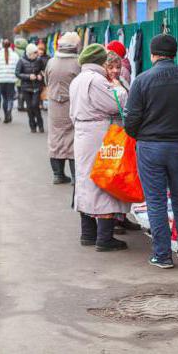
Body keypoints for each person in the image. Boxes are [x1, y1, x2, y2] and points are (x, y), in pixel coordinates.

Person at [124, 34, 178, 269]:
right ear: (174, 53)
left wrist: (140, 135)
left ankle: (162, 255)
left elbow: (132, 118)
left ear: (152, 54)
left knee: (156, 200)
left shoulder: (141, 80)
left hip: (149, 146)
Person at [69, 43, 130, 252]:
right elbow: (117, 104)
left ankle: (88, 233)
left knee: (85, 180)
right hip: (99, 134)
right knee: (104, 179)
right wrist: (118, 88)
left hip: (81, 133)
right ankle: (104, 238)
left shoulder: (78, 79)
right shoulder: (96, 81)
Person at [105, 42, 142, 234]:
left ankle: (121, 216)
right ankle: (112, 219)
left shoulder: (123, 80)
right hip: (111, 134)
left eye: (118, 67)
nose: (115, 71)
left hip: (123, 133)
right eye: (110, 67)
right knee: (112, 176)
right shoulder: (104, 84)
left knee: (124, 175)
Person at [44, 32, 80, 185]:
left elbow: (46, 80)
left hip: (54, 105)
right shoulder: (78, 63)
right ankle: (74, 176)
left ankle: (58, 174)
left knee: (55, 138)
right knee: (73, 139)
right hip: (72, 104)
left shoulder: (51, 62)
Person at [16, 44, 45, 133]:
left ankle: (40, 125)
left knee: (35, 105)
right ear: (29, 53)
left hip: (36, 86)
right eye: (35, 53)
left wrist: (40, 75)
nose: (37, 54)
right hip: (26, 88)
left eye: (37, 53)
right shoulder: (21, 61)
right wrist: (28, 76)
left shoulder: (39, 60)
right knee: (29, 107)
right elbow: (17, 73)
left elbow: (43, 70)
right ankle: (32, 126)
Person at [0, 39, 19, 124]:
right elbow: (18, 67)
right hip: (11, 80)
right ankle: (9, 113)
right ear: (10, 45)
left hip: (0, 80)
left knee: (4, 98)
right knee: (10, 98)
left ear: (2, 46)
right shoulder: (15, 55)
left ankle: (6, 115)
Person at [13, 38, 28, 112]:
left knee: (19, 91)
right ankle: (21, 106)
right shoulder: (23, 53)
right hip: (22, 74)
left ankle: (19, 105)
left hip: (15, 74)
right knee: (22, 92)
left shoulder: (14, 51)